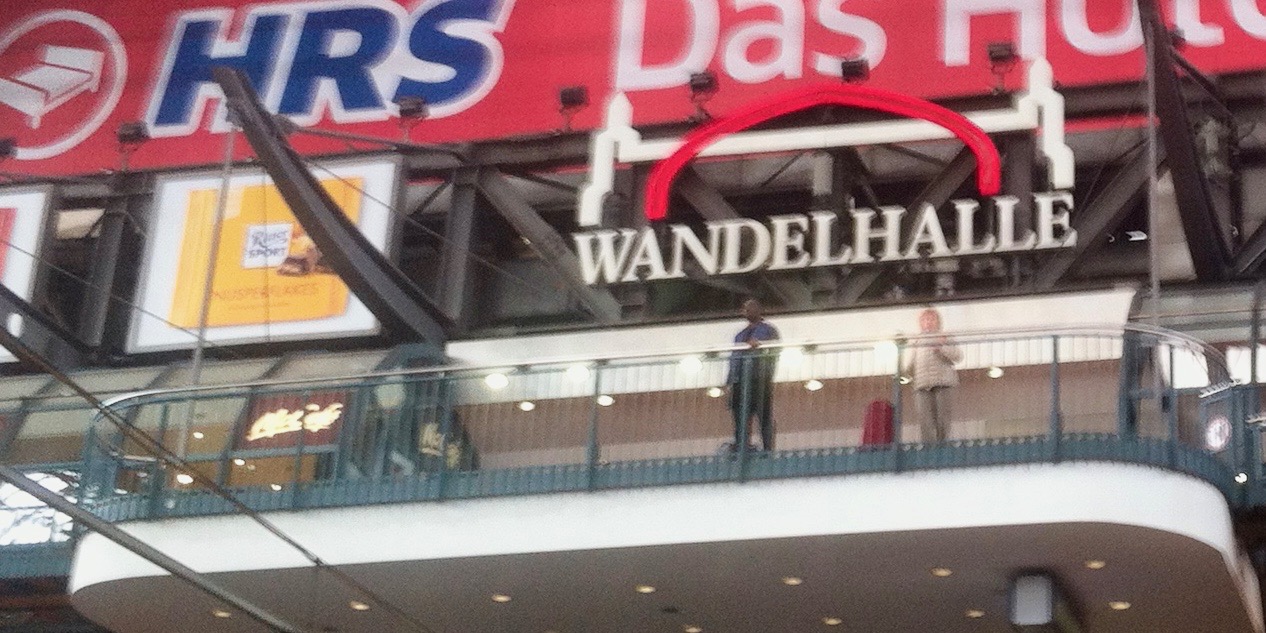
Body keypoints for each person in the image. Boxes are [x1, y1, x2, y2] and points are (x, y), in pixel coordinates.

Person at [726, 299, 779, 453]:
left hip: (759, 378)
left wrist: (760, 347)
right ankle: (742, 447)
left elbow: (775, 351)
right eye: (745, 309)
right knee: (740, 416)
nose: (747, 311)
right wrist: (730, 382)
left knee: (763, 415)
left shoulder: (768, 330)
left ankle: (768, 449)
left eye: (750, 308)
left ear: (759, 310)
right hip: (739, 380)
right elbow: (734, 358)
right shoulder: (740, 334)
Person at [904, 307, 962, 443]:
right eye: (924, 319)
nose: (928, 322)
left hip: (943, 382)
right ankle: (928, 448)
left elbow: (958, 356)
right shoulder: (916, 340)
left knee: (943, 419)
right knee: (925, 420)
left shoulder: (945, 336)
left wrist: (941, 347)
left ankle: (942, 445)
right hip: (922, 384)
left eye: (931, 319)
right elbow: (909, 364)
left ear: (937, 321)